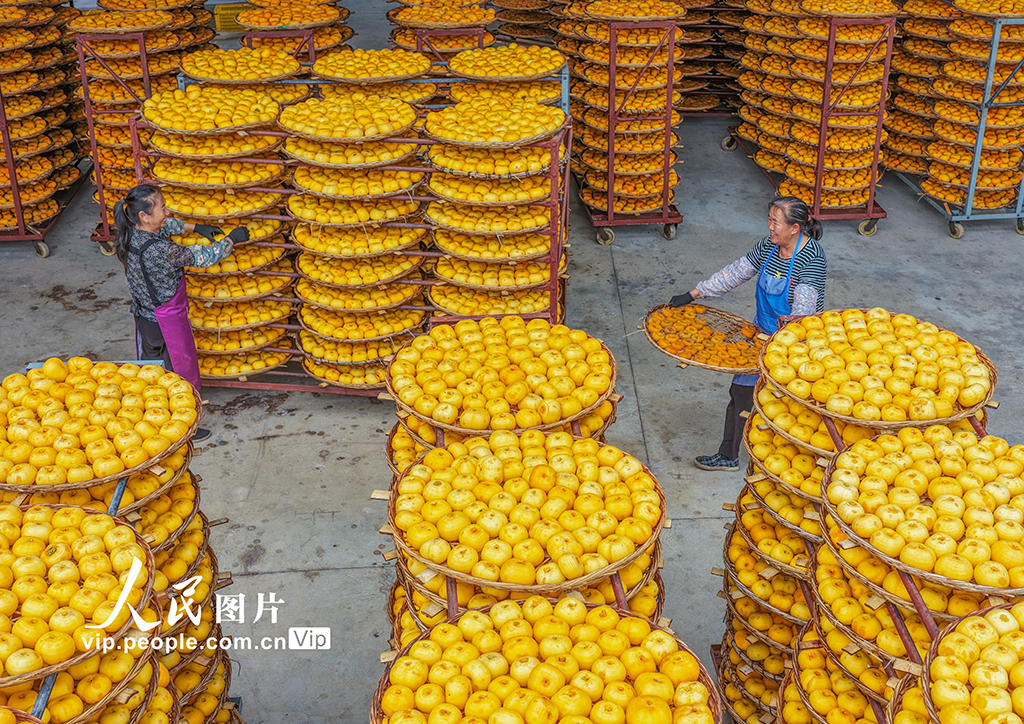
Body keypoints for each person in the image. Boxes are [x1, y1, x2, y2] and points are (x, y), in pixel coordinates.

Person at [670, 196, 827, 472]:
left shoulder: (811, 257)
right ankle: (728, 455)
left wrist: (790, 328)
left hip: (794, 343)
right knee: (741, 393)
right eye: (769, 219)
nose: (769, 227)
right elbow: (737, 271)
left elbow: (805, 307)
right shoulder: (769, 246)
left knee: (787, 405)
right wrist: (694, 293)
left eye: (775, 222)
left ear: (795, 228)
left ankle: (788, 466)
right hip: (760, 334)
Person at [114, 184, 249, 442]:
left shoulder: (130, 232)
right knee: (180, 373)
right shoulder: (162, 251)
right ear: (144, 215)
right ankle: (187, 427)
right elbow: (203, 256)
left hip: (144, 315)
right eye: (162, 208)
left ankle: (156, 418)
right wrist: (232, 239)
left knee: (153, 371)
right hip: (167, 321)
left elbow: (167, 226)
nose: (166, 211)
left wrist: (195, 228)